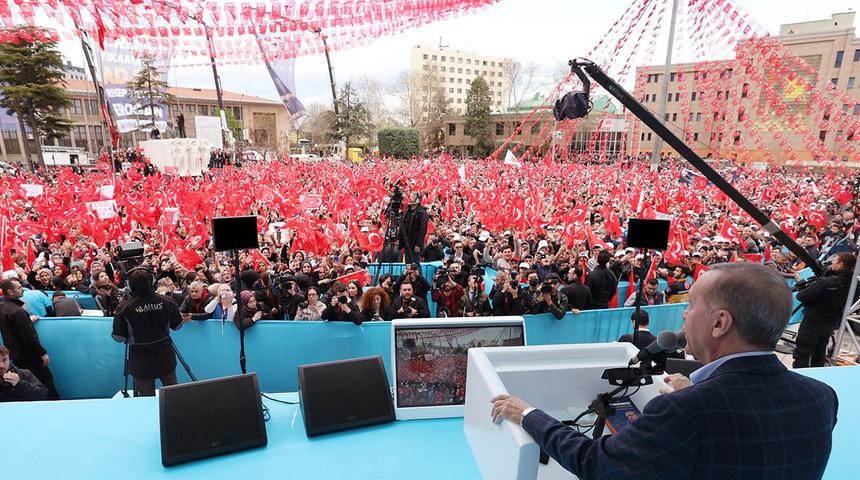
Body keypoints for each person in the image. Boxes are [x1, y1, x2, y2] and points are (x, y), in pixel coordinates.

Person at [491, 263, 838, 480]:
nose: (684, 315)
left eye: (691, 305)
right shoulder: (821, 397)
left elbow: (596, 465)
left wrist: (529, 414)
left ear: (719, 323)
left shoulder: (683, 411)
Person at [111, 269, 184, 397]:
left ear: (130, 285)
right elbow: (177, 326)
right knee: (173, 395)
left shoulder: (124, 307)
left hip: (140, 360)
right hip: (165, 356)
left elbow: (119, 337)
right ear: (152, 281)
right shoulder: (168, 301)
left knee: (146, 398)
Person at [793, 252, 856, 368]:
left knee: (802, 353)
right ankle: (818, 374)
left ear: (840, 264)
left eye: (835, 260)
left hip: (813, 321)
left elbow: (801, 296)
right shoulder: (854, 283)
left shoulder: (827, 282)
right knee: (820, 352)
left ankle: (800, 375)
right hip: (831, 322)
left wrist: (803, 284)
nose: (832, 263)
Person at [0, 279, 59, 400]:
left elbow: (11, 327)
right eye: (19, 287)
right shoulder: (18, 312)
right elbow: (29, 337)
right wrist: (42, 353)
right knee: (46, 383)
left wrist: (27, 321)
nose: (22, 289)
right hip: (29, 357)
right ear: (10, 292)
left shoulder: (4, 308)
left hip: (16, 356)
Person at [400, 192, 429, 265]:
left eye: (412, 197)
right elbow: (402, 226)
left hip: (415, 244)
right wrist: (399, 238)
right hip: (407, 243)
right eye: (410, 196)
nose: (410, 198)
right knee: (408, 264)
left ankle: (418, 273)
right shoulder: (407, 211)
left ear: (418, 199)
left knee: (415, 264)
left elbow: (422, 230)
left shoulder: (422, 213)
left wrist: (418, 244)